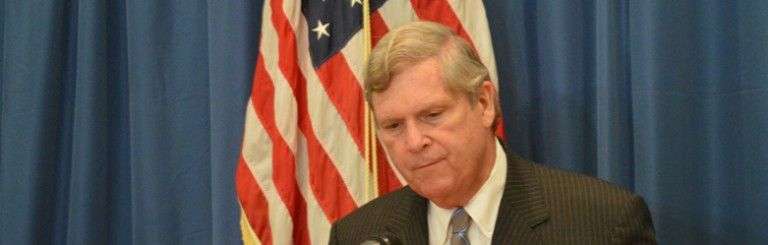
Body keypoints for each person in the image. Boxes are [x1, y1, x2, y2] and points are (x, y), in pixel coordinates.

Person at [329, 21, 656, 244]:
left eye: (432, 115)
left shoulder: (602, 224)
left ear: (484, 103)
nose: (414, 142)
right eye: (393, 126)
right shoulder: (358, 235)